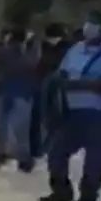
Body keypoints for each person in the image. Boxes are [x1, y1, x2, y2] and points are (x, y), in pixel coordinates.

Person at [40, 12, 101, 201]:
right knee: (56, 152)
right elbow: (61, 73)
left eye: (93, 24)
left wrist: (87, 85)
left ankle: (87, 198)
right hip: (72, 113)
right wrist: (58, 84)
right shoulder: (76, 49)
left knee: (95, 159)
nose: (87, 27)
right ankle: (61, 191)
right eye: (87, 23)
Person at [0, 27, 37, 173]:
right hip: (21, 93)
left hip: (6, 91)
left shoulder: (5, 51)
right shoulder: (28, 51)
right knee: (20, 128)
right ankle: (24, 159)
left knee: (0, 126)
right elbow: (33, 66)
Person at [32, 23, 72, 157]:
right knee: (42, 119)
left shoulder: (66, 49)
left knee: (54, 120)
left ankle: (46, 149)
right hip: (43, 86)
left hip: (57, 88)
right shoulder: (45, 47)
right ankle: (40, 149)